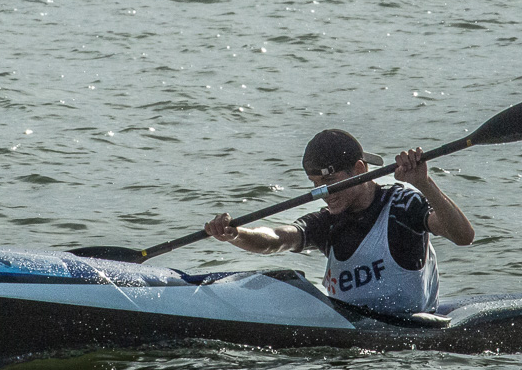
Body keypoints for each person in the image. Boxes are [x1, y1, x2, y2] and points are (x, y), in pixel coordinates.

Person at [203, 129, 474, 315]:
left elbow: (463, 236)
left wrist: (424, 183)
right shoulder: (327, 222)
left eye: (329, 182)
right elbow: (277, 239)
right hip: (352, 338)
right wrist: (235, 234)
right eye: (315, 184)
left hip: (409, 333)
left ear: (359, 170)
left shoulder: (403, 206)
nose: (323, 194)